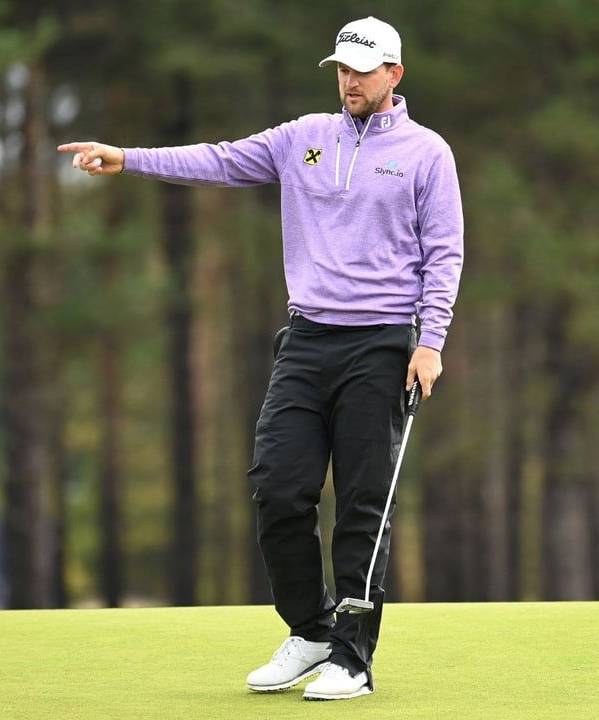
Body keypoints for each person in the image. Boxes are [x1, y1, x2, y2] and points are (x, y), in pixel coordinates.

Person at [58, 16, 462, 701]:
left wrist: (431, 342)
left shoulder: (427, 153)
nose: (349, 80)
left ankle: (352, 657)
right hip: (305, 340)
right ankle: (311, 630)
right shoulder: (302, 137)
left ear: (394, 74)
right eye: (342, 68)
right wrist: (127, 158)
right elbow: (217, 160)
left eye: (362, 70)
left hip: (383, 343)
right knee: (277, 486)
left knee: (363, 504)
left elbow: (444, 252)